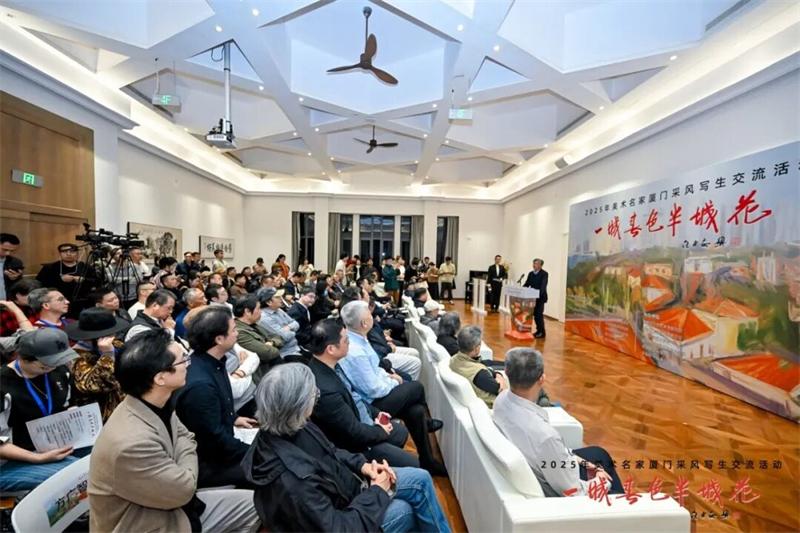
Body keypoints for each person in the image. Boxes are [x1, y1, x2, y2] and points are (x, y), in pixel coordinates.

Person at [242, 363, 452, 532]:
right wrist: (377, 491)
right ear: (297, 405)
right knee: (406, 511)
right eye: (313, 396)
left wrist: (363, 466)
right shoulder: (293, 482)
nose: (315, 400)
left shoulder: (290, 425)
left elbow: (331, 450)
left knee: (421, 478)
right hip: (346, 512)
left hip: (348, 490)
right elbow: (340, 527)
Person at [88, 329, 260, 532]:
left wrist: (181, 464)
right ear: (160, 378)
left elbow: (186, 437)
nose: (188, 364)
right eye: (183, 360)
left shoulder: (155, 402)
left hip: (178, 506)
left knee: (259, 505)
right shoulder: (131, 443)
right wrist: (183, 467)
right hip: (149, 523)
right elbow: (184, 489)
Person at [494, 348, 623, 497]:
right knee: (612, 484)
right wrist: (602, 482)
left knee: (599, 454)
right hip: (563, 491)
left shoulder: (501, 401)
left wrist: (585, 464)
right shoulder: (546, 437)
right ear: (542, 379)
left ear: (507, 372)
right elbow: (573, 492)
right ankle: (624, 506)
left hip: (550, 466)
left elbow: (557, 454)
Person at [338, 301, 445, 475]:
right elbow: (373, 389)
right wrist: (396, 382)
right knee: (416, 388)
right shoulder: (355, 351)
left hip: (377, 394)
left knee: (415, 411)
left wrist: (389, 376)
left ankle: (428, 461)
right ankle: (426, 427)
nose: (372, 316)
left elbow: (375, 370)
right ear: (364, 323)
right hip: (372, 404)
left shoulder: (359, 339)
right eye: (369, 314)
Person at [308, 319, 419, 468]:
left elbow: (355, 396)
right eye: (346, 340)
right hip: (354, 448)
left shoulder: (330, 366)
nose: (349, 343)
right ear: (331, 349)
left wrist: (376, 413)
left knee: (402, 430)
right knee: (416, 466)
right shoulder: (326, 390)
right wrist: (380, 431)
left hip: (362, 420)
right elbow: (353, 433)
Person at [176, 306, 256, 488]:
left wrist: (233, 418)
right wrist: (255, 451)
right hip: (211, 463)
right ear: (219, 339)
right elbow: (215, 441)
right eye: (233, 330)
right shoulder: (201, 385)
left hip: (224, 444)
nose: (237, 334)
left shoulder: (212, 363)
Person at [0, 328, 85, 491]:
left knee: (101, 455)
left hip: (50, 444)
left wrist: (72, 416)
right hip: (11, 460)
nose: (52, 368)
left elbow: (68, 404)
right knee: (75, 474)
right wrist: (38, 458)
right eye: (45, 365)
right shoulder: (4, 386)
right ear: (22, 358)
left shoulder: (59, 371)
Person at [66, 307, 129, 420]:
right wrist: (107, 355)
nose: (114, 335)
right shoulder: (75, 357)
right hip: (101, 415)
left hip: (125, 407)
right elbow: (94, 385)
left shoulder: (116, 344)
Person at [233, 295, 282, 379]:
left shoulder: (254, 324)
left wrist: (272, 342)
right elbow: (268, 353)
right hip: (266, 374)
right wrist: (274, 344)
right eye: (258, 309)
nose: (261, 312)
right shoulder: (239, 332)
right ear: (247, 311)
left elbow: (277, 336)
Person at [36, 243, 91, 317]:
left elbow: (95, 282)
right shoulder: (50, 267)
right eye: (64, 251)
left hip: (81, 303)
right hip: (56, 303)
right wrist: (60, 279)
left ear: (77, 253)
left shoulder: (85, 267)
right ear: (60, 253)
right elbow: (39, 284)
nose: (68, 254)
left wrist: (83, 280)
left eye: (72, 251)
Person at [257, 288, 302, 360]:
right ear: (269, 302)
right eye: (277, 297)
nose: (281, 299)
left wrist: (288, 327)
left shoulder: (278, 310)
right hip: (285, 353)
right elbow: (284, 337)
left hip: (295, 347)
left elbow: (296, 323)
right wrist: (293, 330)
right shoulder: (264, 318)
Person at [523, 258, 549, 338]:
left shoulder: (544, 274)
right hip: (532, 298)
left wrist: (538, 295)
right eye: (534, 263)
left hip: (540, 298)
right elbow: (527, 284)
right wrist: (521, 290)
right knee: (535, 315)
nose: (534, 265)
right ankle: (538, 331)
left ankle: (542, 332)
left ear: (541, 265)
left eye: (537, 264)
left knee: (539, 315)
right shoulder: (531, 273)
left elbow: (543, 286)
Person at [0, 233, 23, 301]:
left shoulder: (15, 262)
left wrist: (15, 279)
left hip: (7, 302)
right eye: (5, 250)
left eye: (12, 251)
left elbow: (19, 287)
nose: (8, 253)